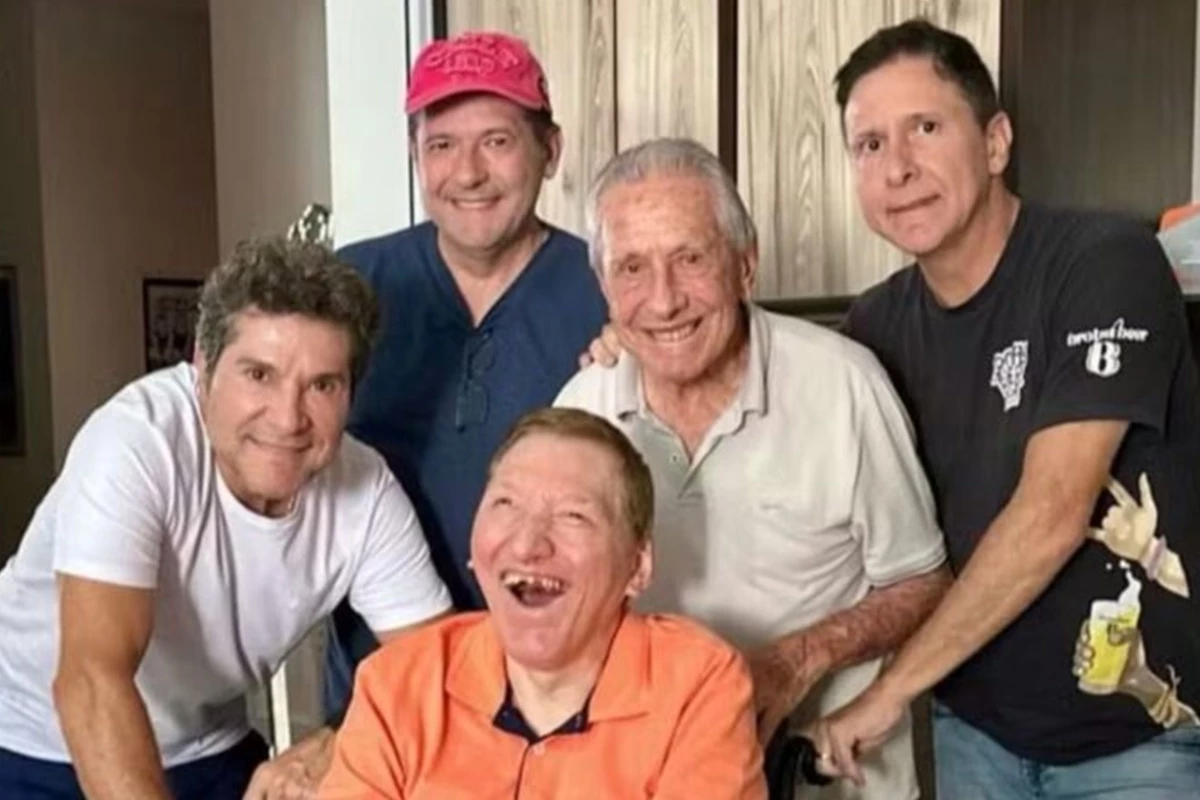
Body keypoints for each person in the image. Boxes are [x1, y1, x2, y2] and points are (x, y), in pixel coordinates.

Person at [814, 19, 1200, 799]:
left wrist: (888, 694)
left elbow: (1054, 509)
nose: (899, 168)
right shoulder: (874, 326)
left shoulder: (1104, 262)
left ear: (995, 143)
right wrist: (631, 343)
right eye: (870, 144)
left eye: (926, 128)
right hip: (975, 735)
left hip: (1138, 741)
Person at [557, 137, 950, 800]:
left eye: (690, 258)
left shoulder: (844, 386)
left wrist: (798, 659)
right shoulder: (580, 409)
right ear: (604, 285)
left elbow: (924, 581)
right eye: (632, 268)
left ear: (745, 264)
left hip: (831, 782)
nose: (664, 300)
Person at [0, 237, 451, 800]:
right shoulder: (135, 441)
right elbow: (92, 679)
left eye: (322, 385)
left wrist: (339, 738)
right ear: (202, 368)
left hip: (208, 745)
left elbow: (433, 665)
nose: (287, 419)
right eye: (258, 375)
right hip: (36, 742)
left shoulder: (366, 488)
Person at [323, 30, 608, 726]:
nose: (468, 173)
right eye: (442, 145)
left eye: (497, 142)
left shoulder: (611, 290)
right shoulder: (348, 287)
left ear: (551, 150)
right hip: (381, 689)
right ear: (415, 155)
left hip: (568, 689)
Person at [319, 408, 767, 799]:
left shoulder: (698, 686)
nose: (527, 544)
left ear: (638, 566)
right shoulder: (395, 683)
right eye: (506, 504)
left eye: (574, 515)